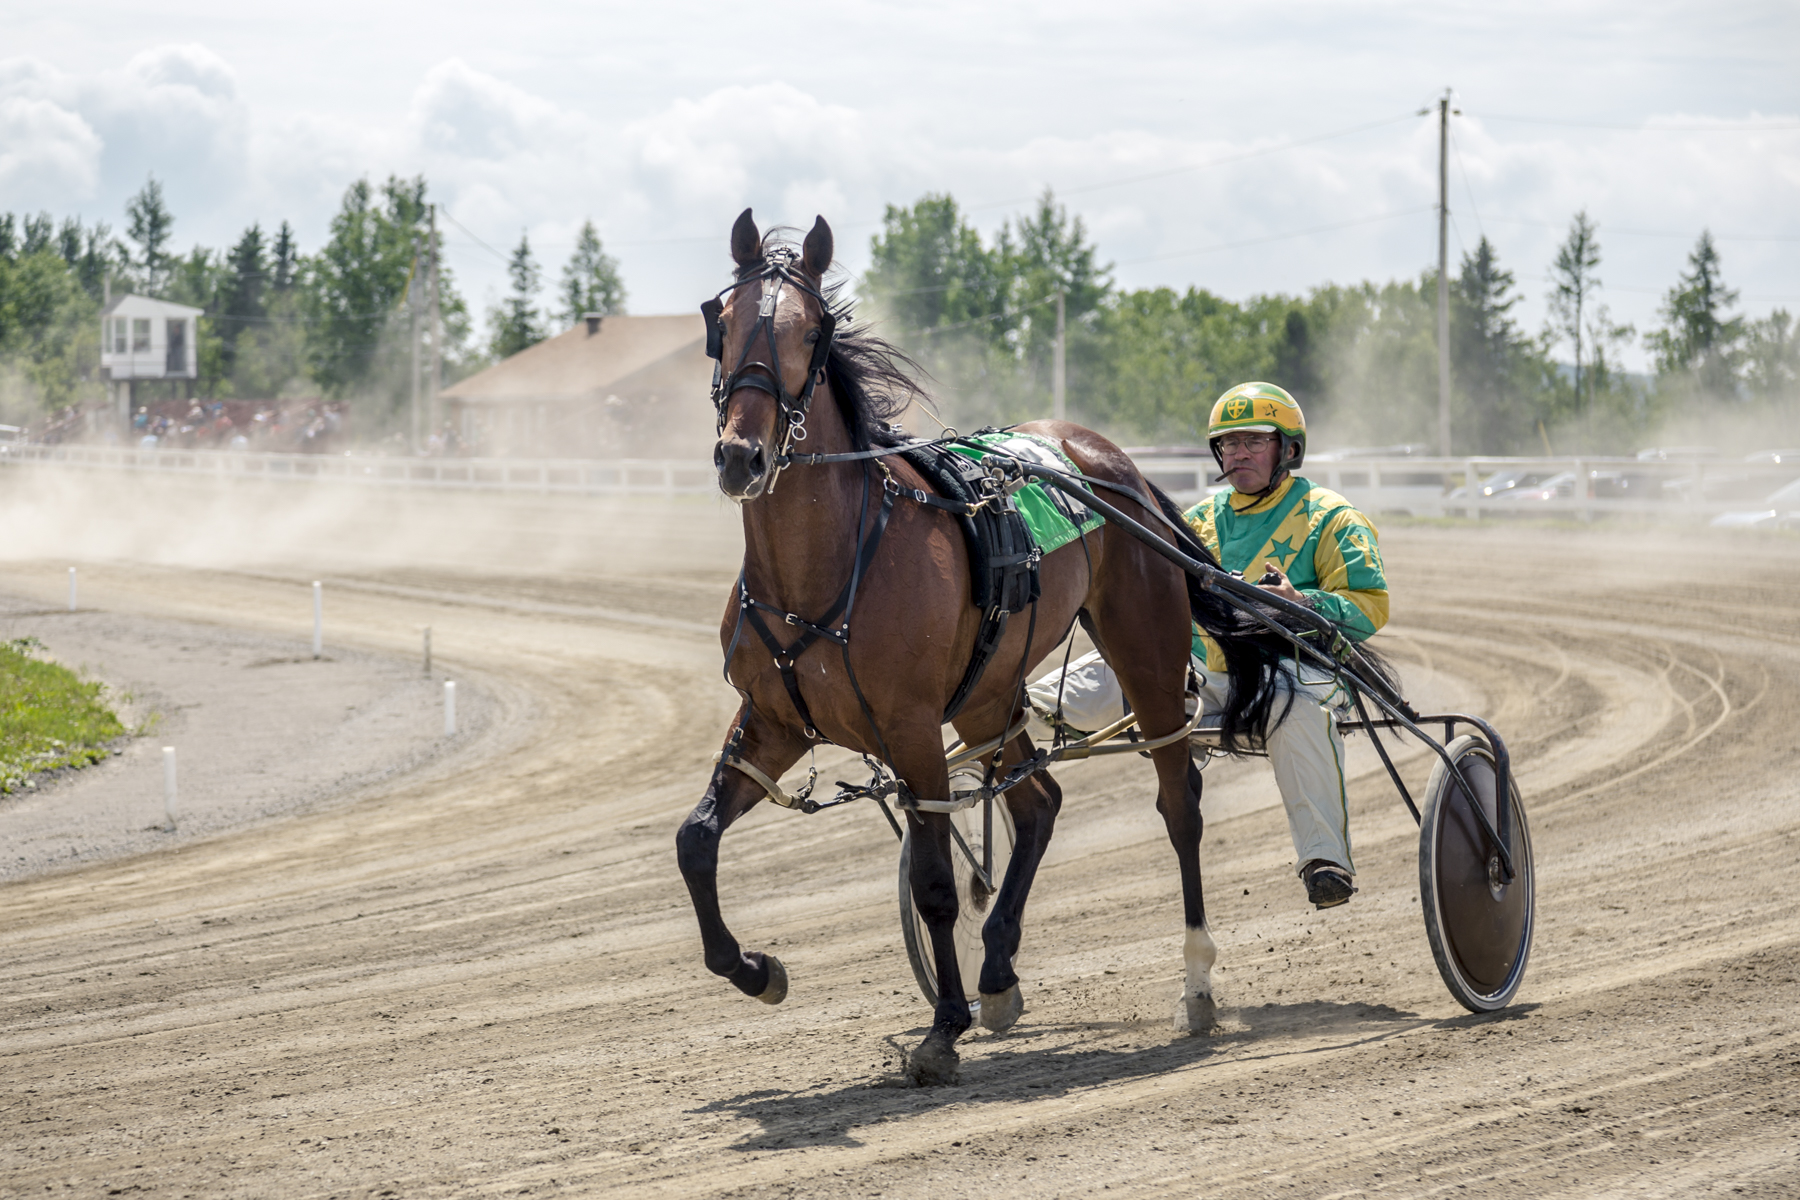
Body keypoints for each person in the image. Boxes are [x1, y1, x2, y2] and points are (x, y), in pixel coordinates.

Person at [1027, 382, 1389, 908]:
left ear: (1288, 449)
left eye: (1252, 442)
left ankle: (1324, 860)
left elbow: (1370, 606)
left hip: (1289, 675)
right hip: (1192, 675)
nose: (1237, 454)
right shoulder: (1195, 523)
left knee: (1298, 711)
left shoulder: (1333, 518)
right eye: (1227, 444)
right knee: (1033, 705)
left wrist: (1302, 602)